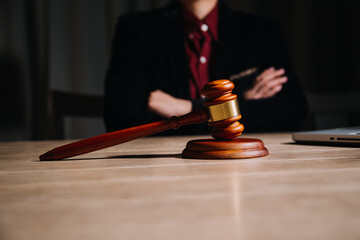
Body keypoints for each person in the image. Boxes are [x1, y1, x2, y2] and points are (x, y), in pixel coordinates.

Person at [104, 0, 308, 135]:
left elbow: (292, 113)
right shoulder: (136, 29)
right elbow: (120, 118)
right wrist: (237, 108)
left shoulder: (261, 31)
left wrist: (187, 109)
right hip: (161, 167)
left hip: (242, 163)